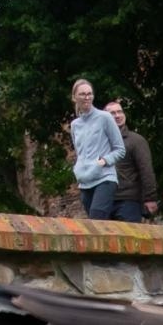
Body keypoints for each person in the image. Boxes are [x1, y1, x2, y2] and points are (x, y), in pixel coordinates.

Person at [69, 78, 125, 221]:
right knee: (97, 227)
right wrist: (78, 168)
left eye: (90, 93)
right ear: (74, 97)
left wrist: (104, 161)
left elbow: (120, 149)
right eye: (82, 94)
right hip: (85, 181)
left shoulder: (104, 117)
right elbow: (80, 153)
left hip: (105, 178)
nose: (87, 97)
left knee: (97, 218)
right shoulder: (75, 125)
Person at [105, 100, 158, 223]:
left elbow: (146, 170)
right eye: (113, 113)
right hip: (105, 200)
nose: (118, 115)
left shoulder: (136, 141)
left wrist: (150, 198)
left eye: (120, 112)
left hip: (128, 201)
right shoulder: (100, 143)